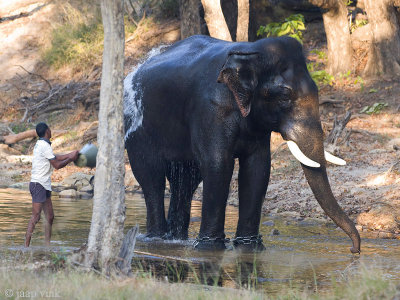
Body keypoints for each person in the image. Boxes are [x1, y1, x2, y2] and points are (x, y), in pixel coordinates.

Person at [25, 122, 79, 247]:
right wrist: (71, 159)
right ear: (47, 131)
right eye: (50, 128)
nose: (51, 130)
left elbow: (55, 157)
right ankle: (26, 246)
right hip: (38, 184)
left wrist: (70, 154)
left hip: (44, 185)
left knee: (49, 216)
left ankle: (47, 246)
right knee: (36, 216)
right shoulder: (44, 145)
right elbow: (57, 165)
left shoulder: (42, 144)